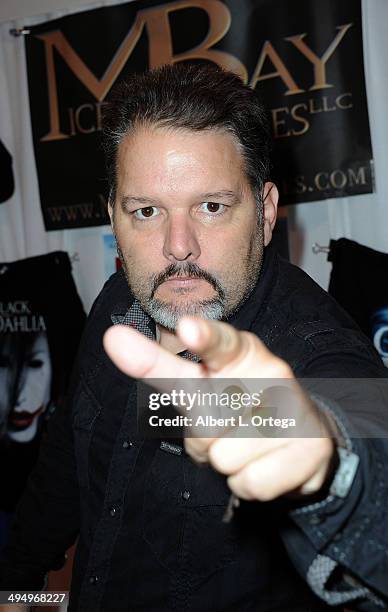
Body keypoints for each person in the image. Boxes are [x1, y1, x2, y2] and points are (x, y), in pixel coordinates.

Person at [1, 63, 387, 611]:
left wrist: (332, 467)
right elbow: (66, 462)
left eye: (211, 207)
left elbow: (365, 435)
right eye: (147, 211)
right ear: (114, 214)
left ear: (267, 212)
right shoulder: (120, 301)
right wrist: (16, 590)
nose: (177, 246)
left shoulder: (312, 347)